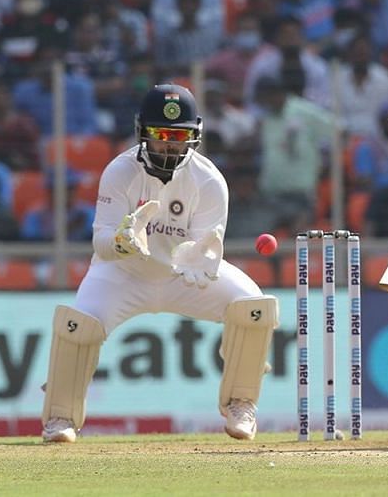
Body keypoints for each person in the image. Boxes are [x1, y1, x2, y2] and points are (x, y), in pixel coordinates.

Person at [41, 84, 279, 443]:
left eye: (179, 136)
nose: (169, 144)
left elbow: (206, 249)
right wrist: (121, 242)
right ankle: (60, 418)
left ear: (194, 136)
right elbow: (101, 243)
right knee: (78, 325)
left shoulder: (209, 180)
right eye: (161, 135)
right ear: (143, 134)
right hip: (123, 273)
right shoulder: (120, 171)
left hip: (182, 276)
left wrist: (199, 258)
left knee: (253, 307)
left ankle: (240, 404)